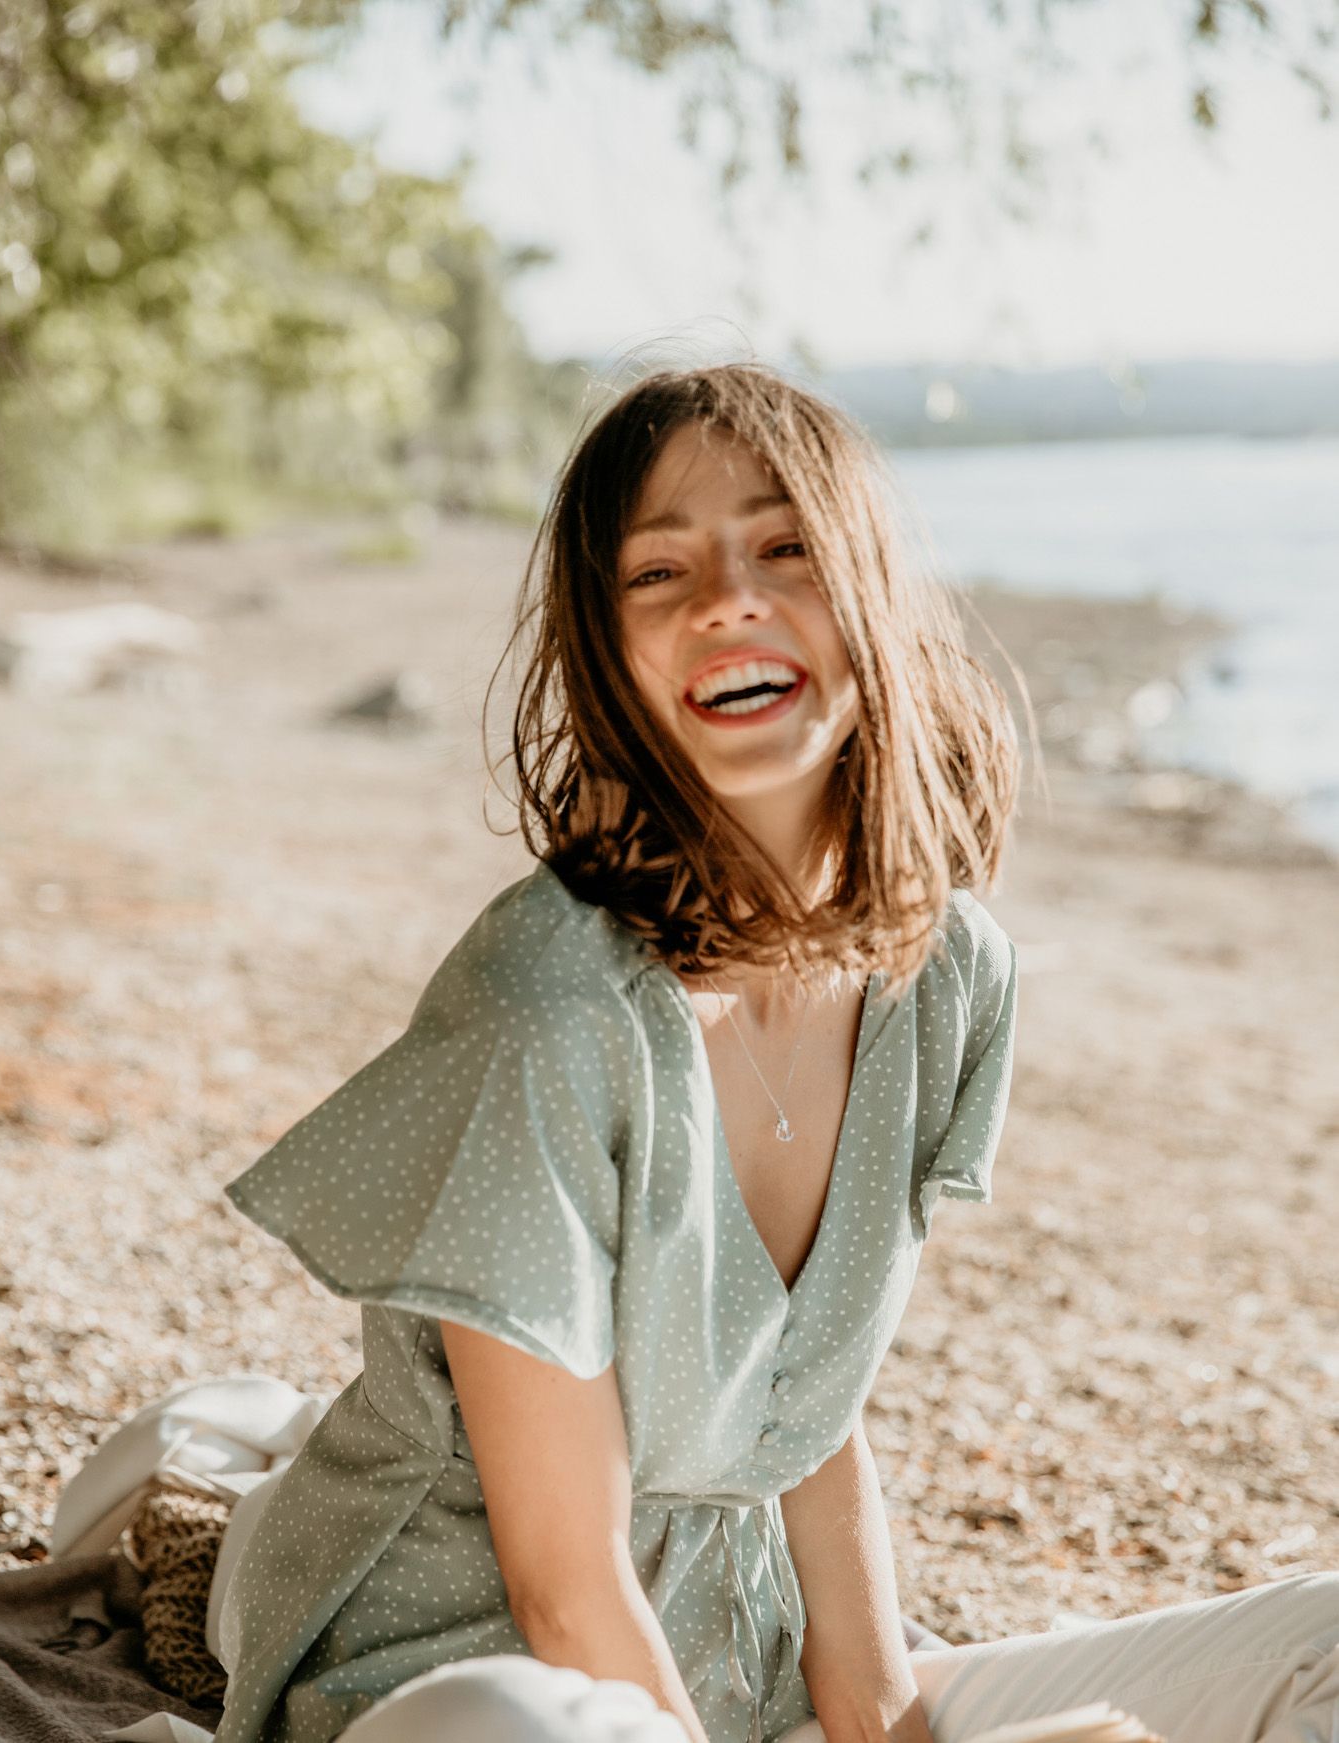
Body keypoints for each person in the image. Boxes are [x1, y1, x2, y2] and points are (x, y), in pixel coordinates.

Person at [210, 364, 1337, 1743]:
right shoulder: (547, 1011)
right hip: (473, 1683)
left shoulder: (945, 974)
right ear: (608, 660)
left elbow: (807, 1422)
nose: (725, 601)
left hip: (750, 1675)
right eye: (656, 572)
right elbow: (561, 1597)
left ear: (871, 591)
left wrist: (888, 1729)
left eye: (785, 547)